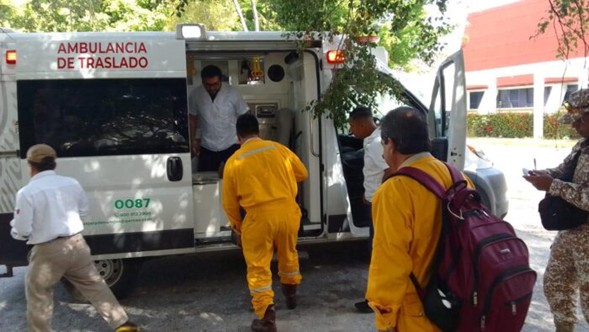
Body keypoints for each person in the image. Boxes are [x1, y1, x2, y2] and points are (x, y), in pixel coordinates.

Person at [9, 144, 138, 332]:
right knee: (94, 285)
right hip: (77, 244)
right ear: (54, 164)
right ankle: (122, 324)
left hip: (48, 251)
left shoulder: (27, 192)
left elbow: (22, 228)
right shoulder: (72, 183)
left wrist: (19, 233)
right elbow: (84, 211)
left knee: (38, 292)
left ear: (31, 166)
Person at [365, 106, 472, 332]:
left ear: (391, 144)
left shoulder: (394, 190)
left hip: (418, 310)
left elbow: (389, 261)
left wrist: (384, 316)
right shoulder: (456, 176)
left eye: (383, 144)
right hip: (455, 301)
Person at [222, 114, 308, 332]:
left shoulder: (234, 161)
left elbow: (229, 203)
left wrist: (238, 227)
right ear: (258, 132)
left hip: (258, 218)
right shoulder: (279, 149)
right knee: (289, 254)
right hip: (288, 213)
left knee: (258, 267)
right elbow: (303, 173)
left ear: (238, 136)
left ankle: (267, 319)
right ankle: (291, 296)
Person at [523, 88, 589, 332]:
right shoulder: (582, 146)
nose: (574, 127)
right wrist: (545, 176)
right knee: (556, 285)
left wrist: (554, 186)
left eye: (578, 121)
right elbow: (565, 171)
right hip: (571, 231)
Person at [347, 106, 393, 314]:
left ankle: (377, 299)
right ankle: (377, 296)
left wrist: (380, 194)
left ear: (363, 123)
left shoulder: (376, 144)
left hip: (381, 205)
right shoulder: (373, 141)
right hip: (376, 202)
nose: (351, 130)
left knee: (379, 252)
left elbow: (391, 170)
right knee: (376, 249)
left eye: (352, 126)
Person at [188, 64, 249, 172]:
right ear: (202, 82)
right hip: (207, 145)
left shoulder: (232, 93)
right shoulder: (195, 95)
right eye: (207, 85)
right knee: (206, 181)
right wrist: (193, 140)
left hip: (231, 144)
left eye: (215, 84)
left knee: (237, 176)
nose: (211, 88)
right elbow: (193, 118)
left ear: (221, 80)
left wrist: (245, 139)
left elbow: (244, 115)